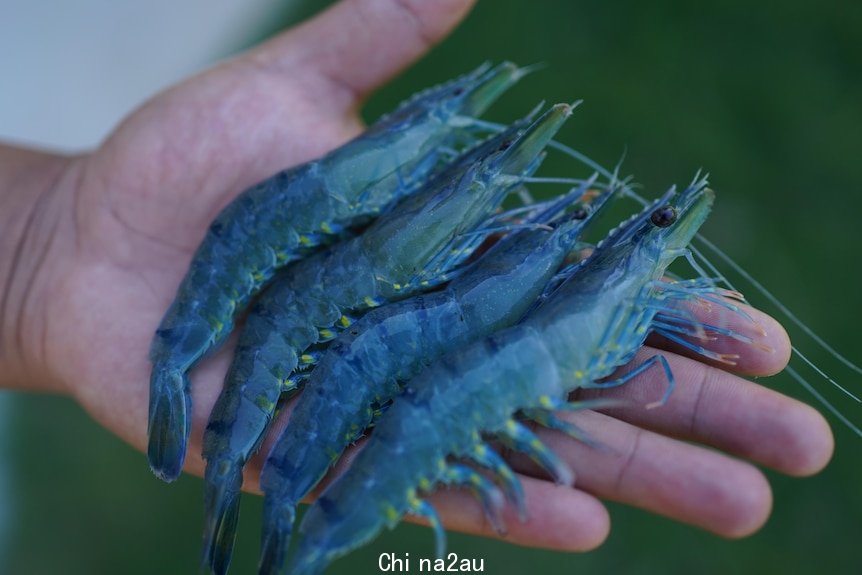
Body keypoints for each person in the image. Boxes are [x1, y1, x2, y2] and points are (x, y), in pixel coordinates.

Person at [0, 0, 833, 551]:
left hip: (390, 333)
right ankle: (245, 462)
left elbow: (438, 263)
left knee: (454, 246)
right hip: (325, 316)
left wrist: (37, 248)